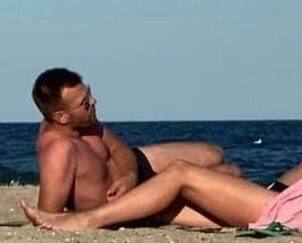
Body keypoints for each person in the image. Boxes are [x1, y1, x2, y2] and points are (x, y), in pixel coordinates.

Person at [21, 24, 302, 232]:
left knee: (181, 174)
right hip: (296, 208)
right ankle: (102, 216)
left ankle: (88, 221)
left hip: (292, 213)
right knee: (184, 196)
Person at [28, 67, 242, 226]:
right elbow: (47, 215)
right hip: (133, 203)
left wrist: (130, 175)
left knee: (214, 153)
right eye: (85, 103)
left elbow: (120, 149)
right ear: (62, 117)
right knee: (231, 173)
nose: (94, 101)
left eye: (89, 93)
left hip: (134, 173)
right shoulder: (59, 150)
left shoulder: (86, 123)